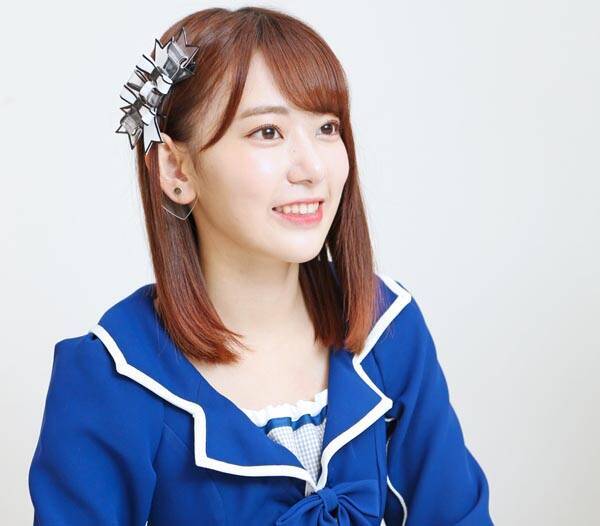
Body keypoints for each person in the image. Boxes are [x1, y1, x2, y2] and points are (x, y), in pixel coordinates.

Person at [28, 6, 493, 525]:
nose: (313, 168)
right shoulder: (113, 376)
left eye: (327, 127)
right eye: (268, 132)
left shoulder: (387, 330)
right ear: (176, 169)